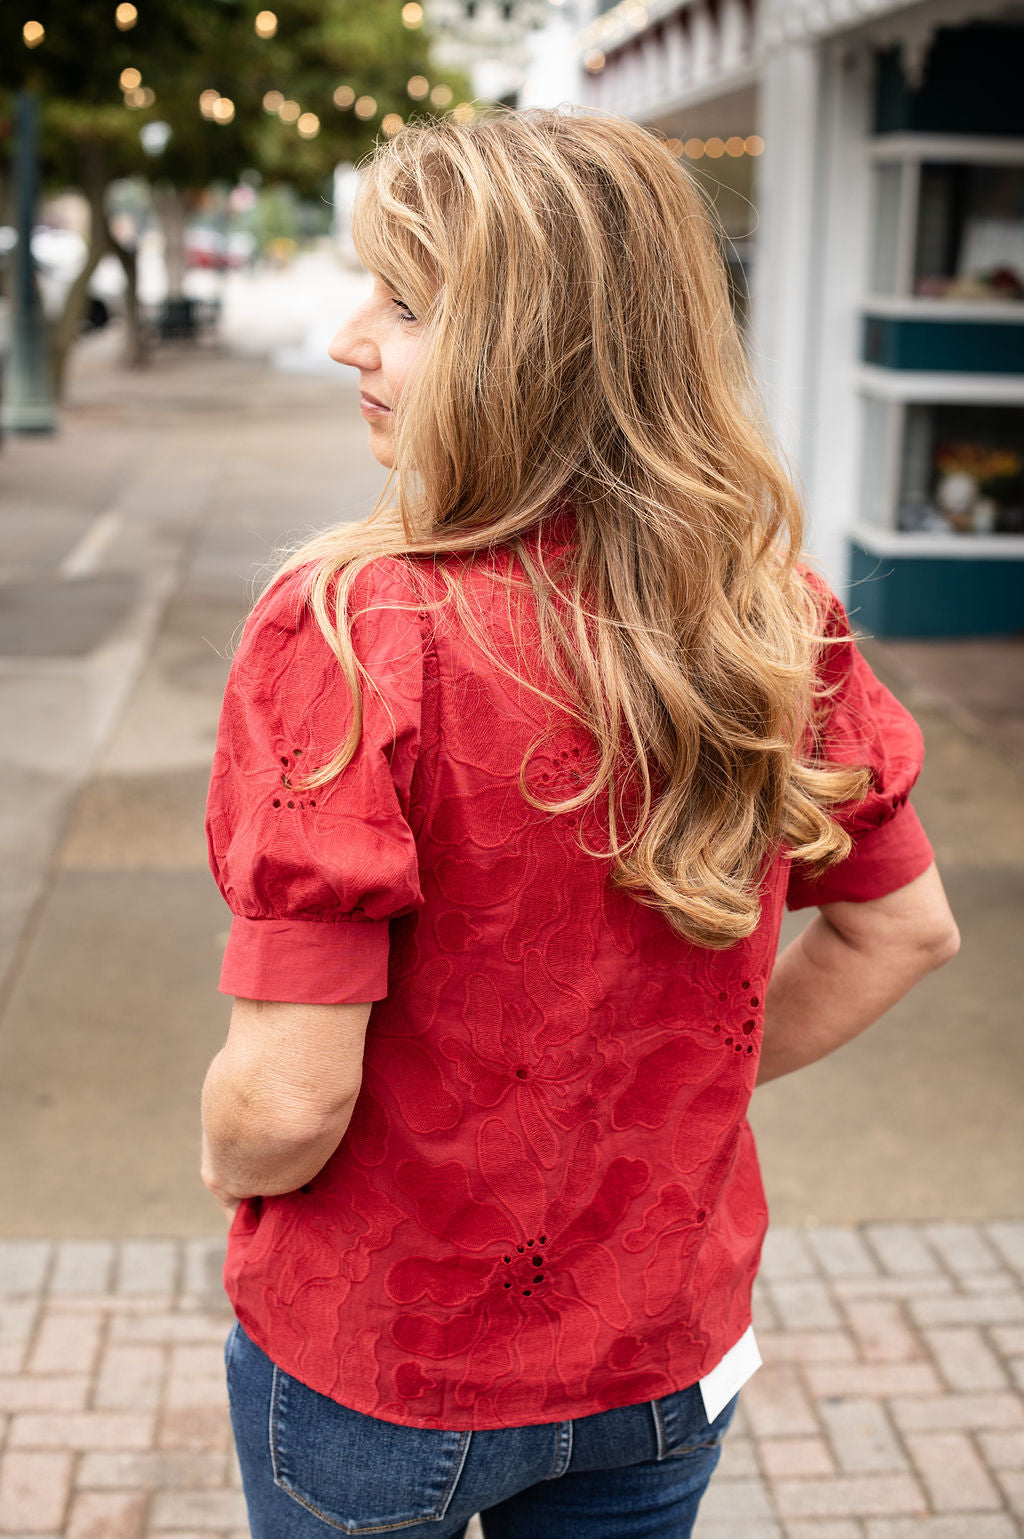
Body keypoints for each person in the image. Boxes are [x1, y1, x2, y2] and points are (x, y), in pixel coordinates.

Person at [201, 107, 960, 1539]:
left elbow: (284, 1101)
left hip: (389, 1360)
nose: (345, 339)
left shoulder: (360, 633)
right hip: (663, 1346)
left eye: (407, 302)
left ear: (532, 348)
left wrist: (226, 1160)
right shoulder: (772, 619)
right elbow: (902, 932)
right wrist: (663, 1102)